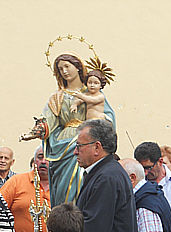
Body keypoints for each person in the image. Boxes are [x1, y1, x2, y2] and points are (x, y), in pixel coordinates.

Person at [22, 53, 116, 206]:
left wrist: (104, 121)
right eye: (60, 69)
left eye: (67, 66)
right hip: (63, 144)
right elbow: (48, 120)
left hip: (87, 139)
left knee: (85, 180)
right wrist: (37, 131)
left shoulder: (92, 92)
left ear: (78, 67)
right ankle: (65, 217)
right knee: (64, 189)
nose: (64, 71)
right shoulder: (57, 97)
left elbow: (107, 115)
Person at [134, 141, 171, 232]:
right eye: (141, 168)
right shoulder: (138, 184)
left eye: (148, 167)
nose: (145, 172)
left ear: (160, 162)